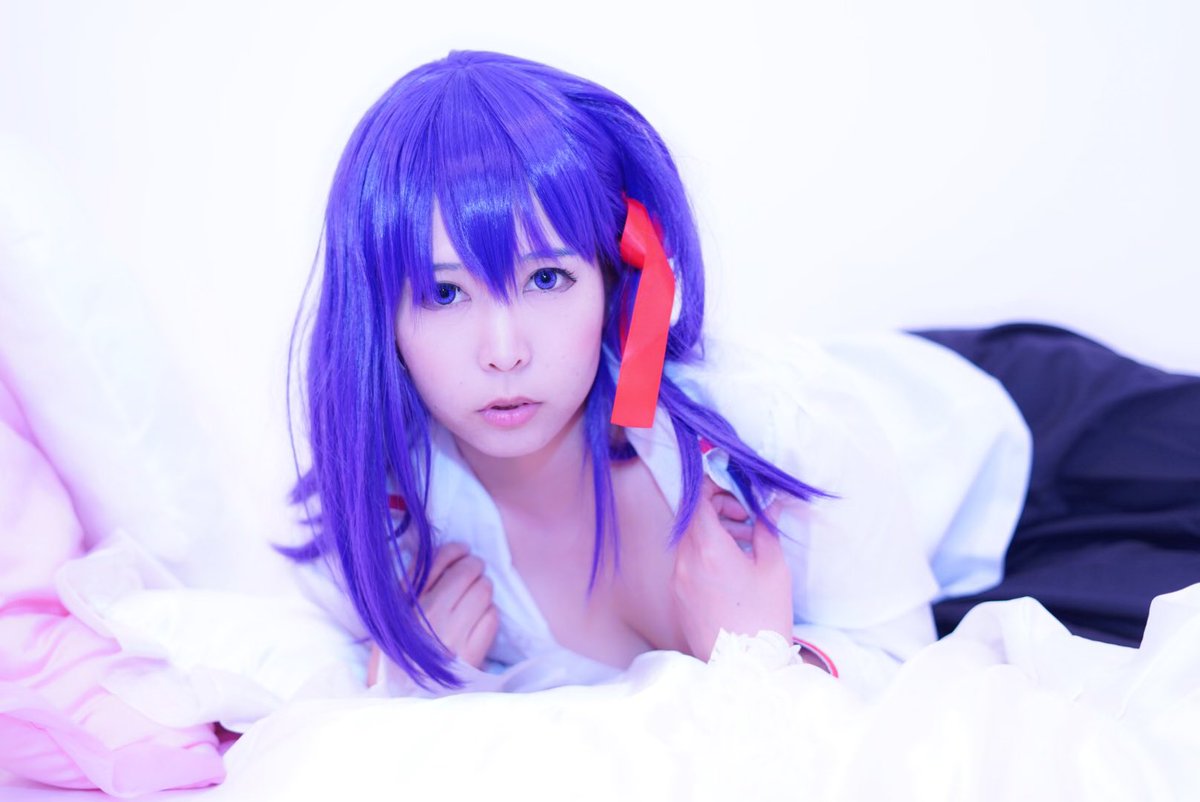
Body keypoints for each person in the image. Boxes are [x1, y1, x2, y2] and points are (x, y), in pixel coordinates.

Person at [286, 50, 1200, 695]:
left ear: (616, 277)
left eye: (548, 278)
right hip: (973, 584)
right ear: (381, 317)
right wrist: (404, 694)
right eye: (443, 294)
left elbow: (898, 668)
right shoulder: (382, 535)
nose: (503, 348)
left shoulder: (770, 417)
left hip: (1030, 437)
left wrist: (763, 656)